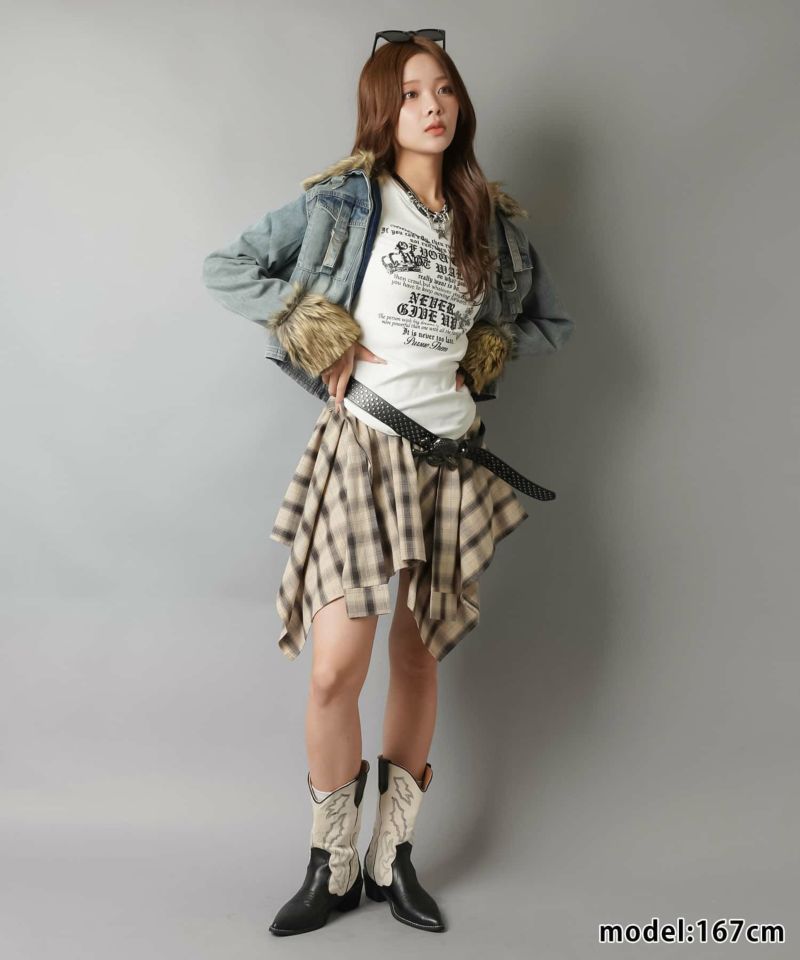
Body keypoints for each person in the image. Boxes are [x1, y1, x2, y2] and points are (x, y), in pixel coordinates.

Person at [202, 29, 574, 937]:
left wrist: (488, 349)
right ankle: (330, 863)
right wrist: (311, 324)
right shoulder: (346, 202)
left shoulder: (491, 220)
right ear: (383, 108)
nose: (432, 106)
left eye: (443, 89)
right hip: (364, 450)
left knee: (417, 656)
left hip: (450, 459)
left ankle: (390, 856)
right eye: (410, 93)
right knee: (338, 668)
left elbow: (550, 322)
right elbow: (229, 267)